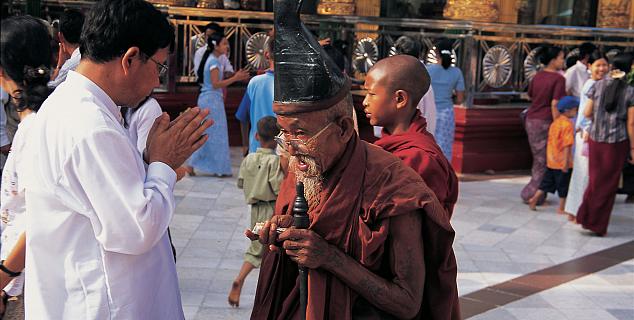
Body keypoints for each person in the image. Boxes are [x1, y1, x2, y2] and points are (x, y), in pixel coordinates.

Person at [247, 1, 460, 319]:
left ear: (344, 128)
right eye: (283, 134)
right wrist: (287, 231)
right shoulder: (305, 170)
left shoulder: (394, 187)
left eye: (301, 133)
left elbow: (408, 301)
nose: (290, 148)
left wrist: (329, 257)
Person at [21, 1, 213, 318]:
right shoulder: (89, 125)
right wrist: (163, 165)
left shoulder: (81, 107)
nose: (157, 81)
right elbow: (137, 228)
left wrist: (150, 163)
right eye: (160, 67)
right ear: (130, 58)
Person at [0, 15, 53, 318]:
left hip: (25, 280)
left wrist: (4, 275)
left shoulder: (34, 129)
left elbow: (40, 216)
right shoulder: (40, 122)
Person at [364, 55, 459, 217]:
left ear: (400, 99)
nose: (365, 102)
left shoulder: (420, 158)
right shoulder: (388, 145)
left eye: (372, 94)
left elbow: (411, 228)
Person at [228, 116, 285, 308]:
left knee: (258, 245)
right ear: (278, 138)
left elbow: (241, 183)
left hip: (255, 208)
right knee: (263, 248)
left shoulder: (249, 159)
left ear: (256, 136)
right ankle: (240, 279)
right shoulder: (274, 162)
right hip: (271, 208)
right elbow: (277, 188)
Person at [576, 53, 634, 236]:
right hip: (616, 142)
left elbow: (586, 112)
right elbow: (631, 124)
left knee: (595, 181)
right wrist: (633, 148)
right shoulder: (630, 91)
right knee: (608, 184)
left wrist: (599, 120)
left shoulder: (598, 85)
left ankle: (585, 217)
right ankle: (597, 224)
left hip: (596, 139)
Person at [185, 33, 250, 176]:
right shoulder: (213, 62)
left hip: (211, 99)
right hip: (211, 100)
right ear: (216, 45)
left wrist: (235, 76)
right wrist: (236, 78)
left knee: (210, 133)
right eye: (224, 44)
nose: (227, 46)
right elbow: (215, 84)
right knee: (214, 134)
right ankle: (212, 168)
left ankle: (199, 165)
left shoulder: (213, 60)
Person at [564, 52, 609, 219]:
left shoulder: (600, 84)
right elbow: (587, 113)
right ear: (589, 67)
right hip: (587, 134)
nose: (602, 68)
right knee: (585, 175)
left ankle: (574, 211)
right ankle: (578, 212)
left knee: (584, 175)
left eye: (604, 65)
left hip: (589, 133)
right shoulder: (592, 85)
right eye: (598, 65)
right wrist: (586, 130)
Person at [521, 45, 566, 204]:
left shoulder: (537, 76)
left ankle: (538, 193)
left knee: (539, 159)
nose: (563, 61)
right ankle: (532, 194)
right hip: (546, 121)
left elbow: (530, 96)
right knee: (543, 160)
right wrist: (558, 125)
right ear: (553, 60)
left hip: (532, 119)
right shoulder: (559, 79)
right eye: (561, 57)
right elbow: (555, 104)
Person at [528, 96, 578, 213]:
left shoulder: (555, 123)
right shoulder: (568, 125)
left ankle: (534, 199)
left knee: (546, 184)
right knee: (563, 185)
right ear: (568, 110)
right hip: (562, 162)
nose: (576, 112)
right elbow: (567, 145)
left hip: (551, 160)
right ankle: (561, 208)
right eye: (575, 109)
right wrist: (566, 163)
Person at [235, 36, 275, 155]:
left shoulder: (254, 83)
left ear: (267, 54)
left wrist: (245, 145)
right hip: (284, 153)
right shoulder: (292, 84)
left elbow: (243, 117)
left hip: (257, 149)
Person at [427, 39, 465, 161]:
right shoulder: (457, 72)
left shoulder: (428, 70)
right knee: (445, 148)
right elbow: (460, 99)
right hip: (446, 113)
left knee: (427, 145)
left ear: (436, 53)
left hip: (428, 113)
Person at [48, 8, 84, 89]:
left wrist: (59, 65)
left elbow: (50, 87)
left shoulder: (70, 65)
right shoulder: (90, 54)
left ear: (60, 36)